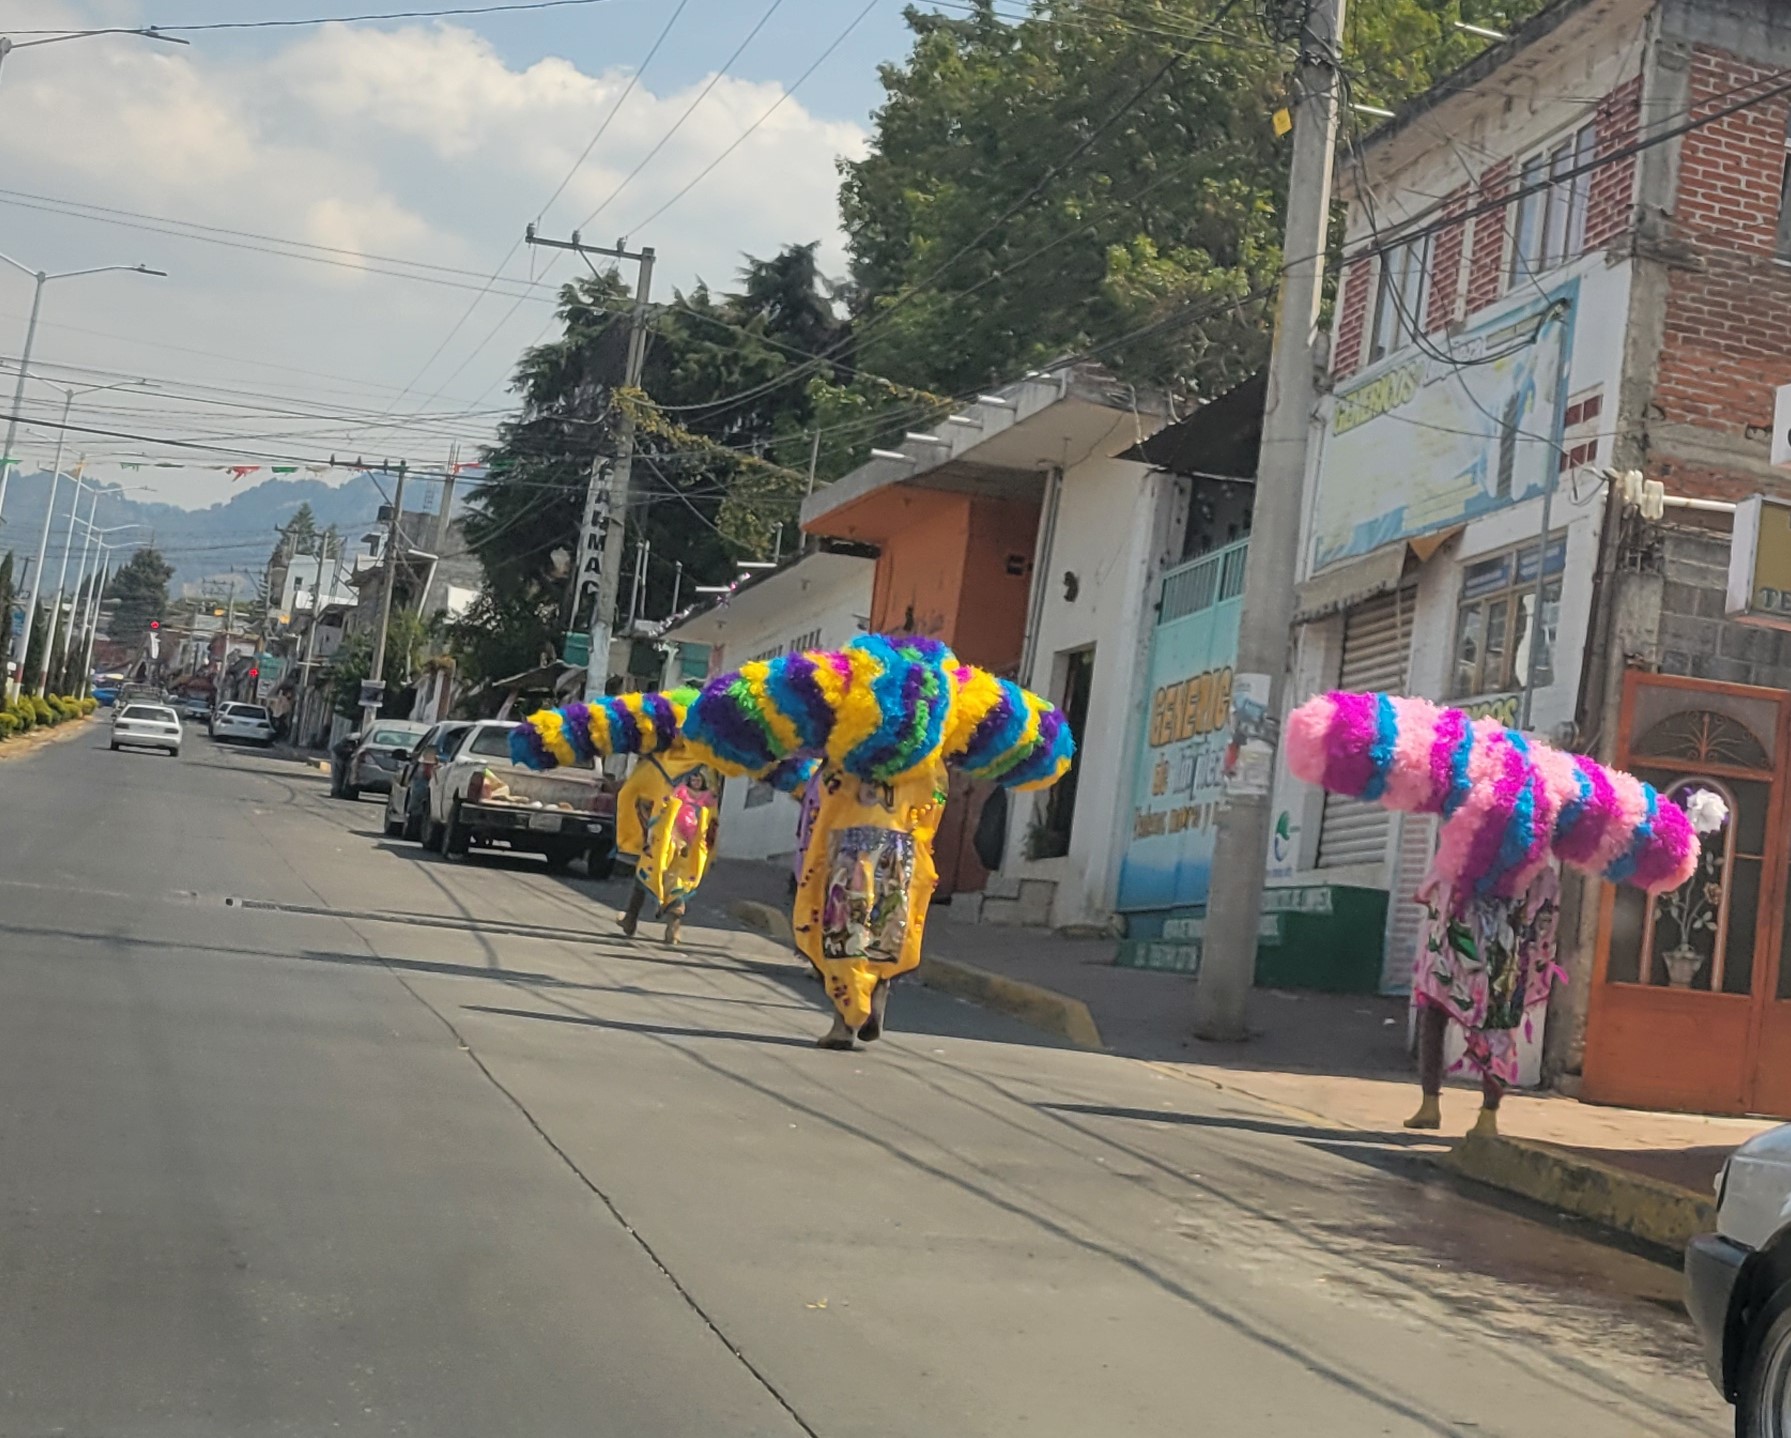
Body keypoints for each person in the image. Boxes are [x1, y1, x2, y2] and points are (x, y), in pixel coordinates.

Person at [793, 758, 947, 1050]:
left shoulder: (846, 749)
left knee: (844, 934)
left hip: (850, 844)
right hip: (899, 845)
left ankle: (846, 1021)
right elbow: (934, 801)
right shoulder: (927, 756)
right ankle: (876, 992)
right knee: (885, 932)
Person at [1405, 865, 1562, 1136]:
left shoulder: (1475, 860)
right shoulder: (1537, 872)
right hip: (1492, 955)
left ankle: (1442, 1107)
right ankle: (1477, 1115)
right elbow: (1544, 920)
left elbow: (1439, 898)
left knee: (1444, 1017)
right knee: (1487, 1027)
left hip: (1479, 953)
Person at [614, 748, 718, 946]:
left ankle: (632, 918)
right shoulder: (706, 761)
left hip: (666, 832)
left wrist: (635, 835)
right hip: (690, 835)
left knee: (649, 869)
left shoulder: (660, 761)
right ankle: (672, 928)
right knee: (677, 875)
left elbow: (632, 794)